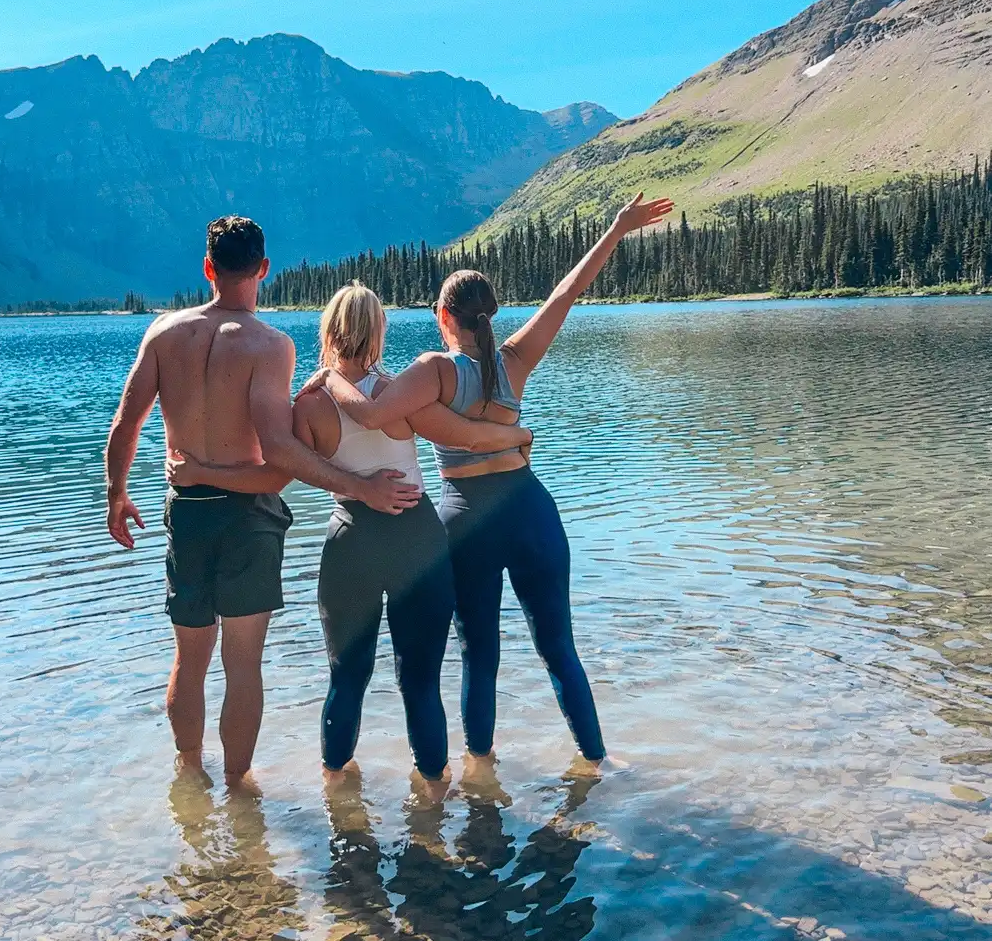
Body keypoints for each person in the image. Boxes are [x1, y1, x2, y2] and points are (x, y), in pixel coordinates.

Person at [310, 192, 673, 780]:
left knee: (479, 654)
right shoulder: (515, 359)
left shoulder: (432, 371)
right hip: (530, 509)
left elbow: (374, 415)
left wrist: (329, 373)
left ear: (443, 316)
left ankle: (480, 768)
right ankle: (596, 759)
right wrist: (616, 228)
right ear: (492, 314)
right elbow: (566, 293)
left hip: (465, 520)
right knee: (559, 647)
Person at [104, 215, 421, 787]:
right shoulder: (269, 346)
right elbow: (278, 452)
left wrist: (117, 495)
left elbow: (126, 423)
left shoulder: (163, 333)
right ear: (264, 271)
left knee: (189, 658)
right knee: (242, 664)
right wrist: (360, 487)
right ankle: (237, 787)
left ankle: (190, 777)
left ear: (207, 268)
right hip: (247, 519)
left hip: (188, 512)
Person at [292, 283, 532, 799]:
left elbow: (297, 466)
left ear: (328, 329)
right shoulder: (403, 394)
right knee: (420, 681)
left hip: (351, 538)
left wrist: (353, 485)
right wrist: (517, 437)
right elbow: (464, 434)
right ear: (379, 331)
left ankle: (337, 793)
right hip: (417, 539)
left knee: (346, 677)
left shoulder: (309, 402)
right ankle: (433, 797)